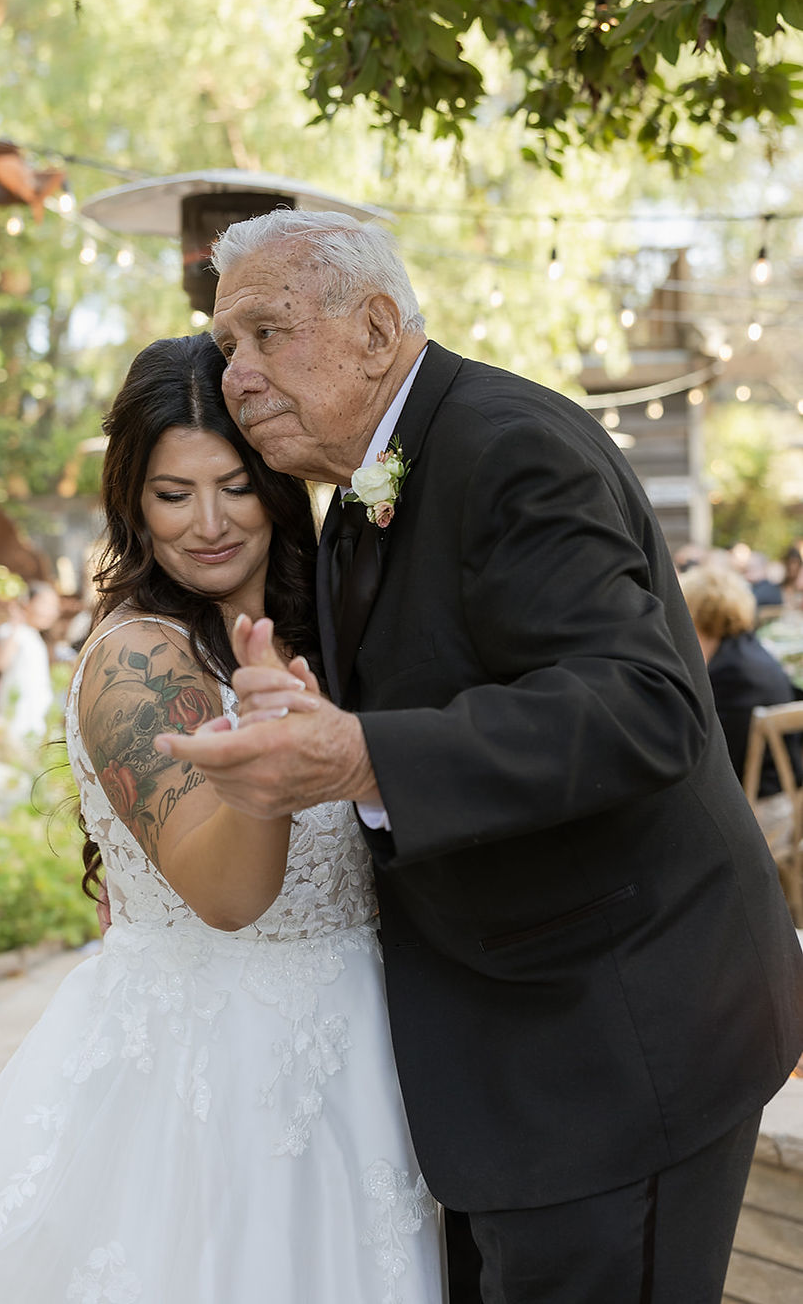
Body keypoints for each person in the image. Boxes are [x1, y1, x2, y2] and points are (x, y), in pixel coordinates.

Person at [156, 210, 803, 1304]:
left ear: (375, 328)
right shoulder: (361, 489)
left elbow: (642, 706)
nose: (239, 376)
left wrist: (363, 756)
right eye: (227, 348)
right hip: (514, 1050)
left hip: (617, 1038)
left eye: (266, 333)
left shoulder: (509, 447)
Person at [0, 335, 445, 1304]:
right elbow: (228, 895)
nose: (208, 523)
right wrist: (268, 758)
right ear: (133, 503)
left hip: (364, 1056)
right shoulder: (137, 663)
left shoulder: (331, 626)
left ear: (277, 484)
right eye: (173, 494)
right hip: (215, 1086)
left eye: (235, 487)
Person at [680, 560, 802, 794]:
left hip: (762, 799)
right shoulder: (747, 650)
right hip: (781, 789)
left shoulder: (731, 674)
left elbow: (707, 757)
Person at [0, 579, 61, 742]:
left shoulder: (36, 637)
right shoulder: (13, 631)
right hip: (17, 714)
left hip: (36, 716)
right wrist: (15, 622)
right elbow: (0, 663)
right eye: (46, 604)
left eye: (55, 607)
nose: (51, 612)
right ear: (27, 603)